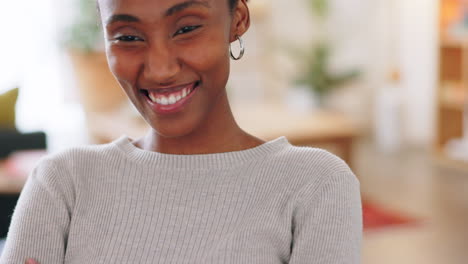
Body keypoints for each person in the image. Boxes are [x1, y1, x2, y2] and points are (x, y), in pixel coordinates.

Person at [0, 0, 362, 263]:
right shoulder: (63, 182)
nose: (159, 69)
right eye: (127, 36)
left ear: (237, 19)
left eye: (187, 29)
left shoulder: (315, 184)